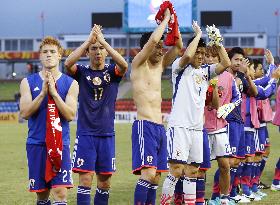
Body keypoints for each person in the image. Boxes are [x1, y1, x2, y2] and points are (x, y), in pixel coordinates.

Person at [161, 21, 230, 205]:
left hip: (197, 129)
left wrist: (217, 41)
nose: (200, 56)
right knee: (176, 170)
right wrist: (198, 35)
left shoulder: (207, 72)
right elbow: (188, 54)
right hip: (179, 126)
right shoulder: (179, 67)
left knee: (193, 171)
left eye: (203, 53)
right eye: (198, 53)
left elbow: (226, 62)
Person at [64, 25, 128, 205]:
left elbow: (124, 65)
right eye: (94, 49)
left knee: (105, 182)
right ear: (87, 52)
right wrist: (89, 39)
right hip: (86, 134)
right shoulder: (83, 72)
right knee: (85, 180)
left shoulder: (112, 72)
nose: (98, 52)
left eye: (101, 49)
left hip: (107, 134)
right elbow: (68, 64)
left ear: (106, 51)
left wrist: (102, 41)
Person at [130, 6, 183, 205]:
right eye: (158, 47)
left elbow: (178, 48)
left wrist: (174, 24)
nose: (161, 49)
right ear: (145, 49)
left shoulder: (159, 66)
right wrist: (165, 19)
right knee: (148, 174)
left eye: (162, 46)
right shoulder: (138, 64)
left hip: (160, 127)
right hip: (144, 126)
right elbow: (153, 40)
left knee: (157, 177)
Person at [20, 36, 79, 205]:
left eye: (53, 51)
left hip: (60, 146)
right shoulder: (27, 82)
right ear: (39, 56)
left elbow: (70, 115)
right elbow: (24, 113)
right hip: (36, 144)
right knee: (42, 195)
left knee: (60, 193)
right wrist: (42, 94)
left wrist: (54, 94)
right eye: (45, 52)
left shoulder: (71, 83)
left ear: (60, 55)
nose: (48, 55)